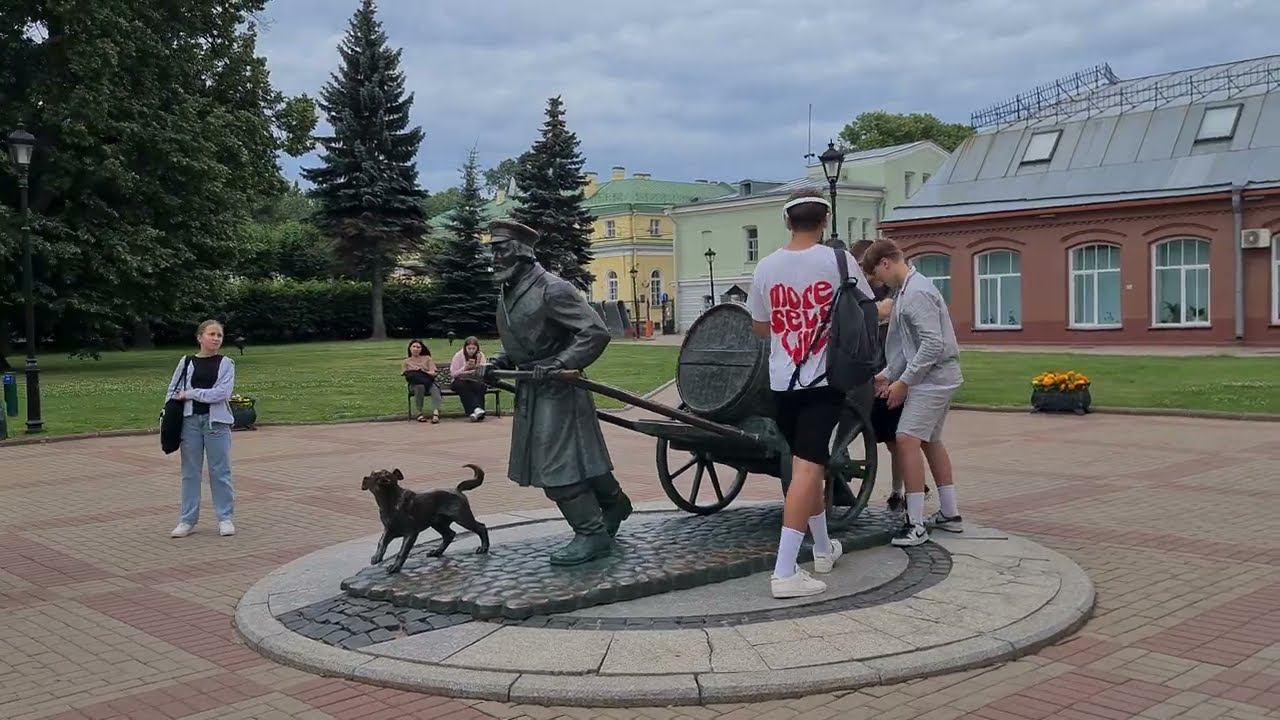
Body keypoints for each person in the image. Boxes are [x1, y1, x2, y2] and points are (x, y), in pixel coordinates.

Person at [745, 188, 873, 599]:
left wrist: (790, 322)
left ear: (787, 222)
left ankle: (822, 549)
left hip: (782, 381)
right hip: (822, 381)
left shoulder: (766, 267)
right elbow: (866, 306)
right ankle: (784, 572)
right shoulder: (838, 260)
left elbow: (760, 327)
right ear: (823, 222)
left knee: (808, 466)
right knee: (807, 471)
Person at [481, 219, 633, 565]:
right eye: (493, 249)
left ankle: (591, 534)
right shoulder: (509, 290)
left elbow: (596, 331)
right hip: (533, 389)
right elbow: (520, 341)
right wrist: (497, 361)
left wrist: (561, 361)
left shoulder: (553, 288)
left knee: (557, 467)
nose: (495, 257)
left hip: (560, 390)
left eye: (501, 249)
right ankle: (614, 504)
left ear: (520, 252)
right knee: (580, 458)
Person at [863, 238, 964, 547]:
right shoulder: (909, 290)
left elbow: (932, 345)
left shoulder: (916, 293)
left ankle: (915, 524)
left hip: (933, 380)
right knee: (931, 442)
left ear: (885, 263)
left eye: (877, 277)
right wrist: (886, 375)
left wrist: (904, 382)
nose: (879, 284)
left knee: (906, 440)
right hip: (937, 378)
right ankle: (949, 513)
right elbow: (911, 348)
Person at [167, 319, 237, 538]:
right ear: (200, 337)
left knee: (220, 471)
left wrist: (192, 393)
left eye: (219, 335)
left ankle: (225, 518)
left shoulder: (226, 363)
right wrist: (170, 414)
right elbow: (174, 390)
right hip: (190, 422)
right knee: (190, 472)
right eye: (212, 334)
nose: (216, 339)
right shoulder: (186, 362)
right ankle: (187, 520)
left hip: (216, 422)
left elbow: (222, 394)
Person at [403, 339, 443, 423]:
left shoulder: (427, 358)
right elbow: (405, 374)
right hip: (415, 384)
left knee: (434, 389)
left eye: (418, 347)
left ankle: (436, 413)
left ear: (421, 349)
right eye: (414, 346)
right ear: (410, 348)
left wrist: (422, 371)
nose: (416, 349)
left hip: (428, 381)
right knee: (419, 387)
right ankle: (419, 413)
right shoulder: (406, 361)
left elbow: (433, 373)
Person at [450, 336, 489, 421]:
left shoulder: (480, 355)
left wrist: (477, 366)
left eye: (473, 348)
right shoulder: (458, 356)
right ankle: (477, 409)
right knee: (463, 386)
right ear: (465, 348)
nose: (471, 351)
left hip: (474, 380)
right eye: (469, 348)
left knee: (480, 386)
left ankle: (474, 414)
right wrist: (464, 368)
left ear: (477, 348)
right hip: (459, 381)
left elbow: (483, 372)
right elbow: (453, 374)